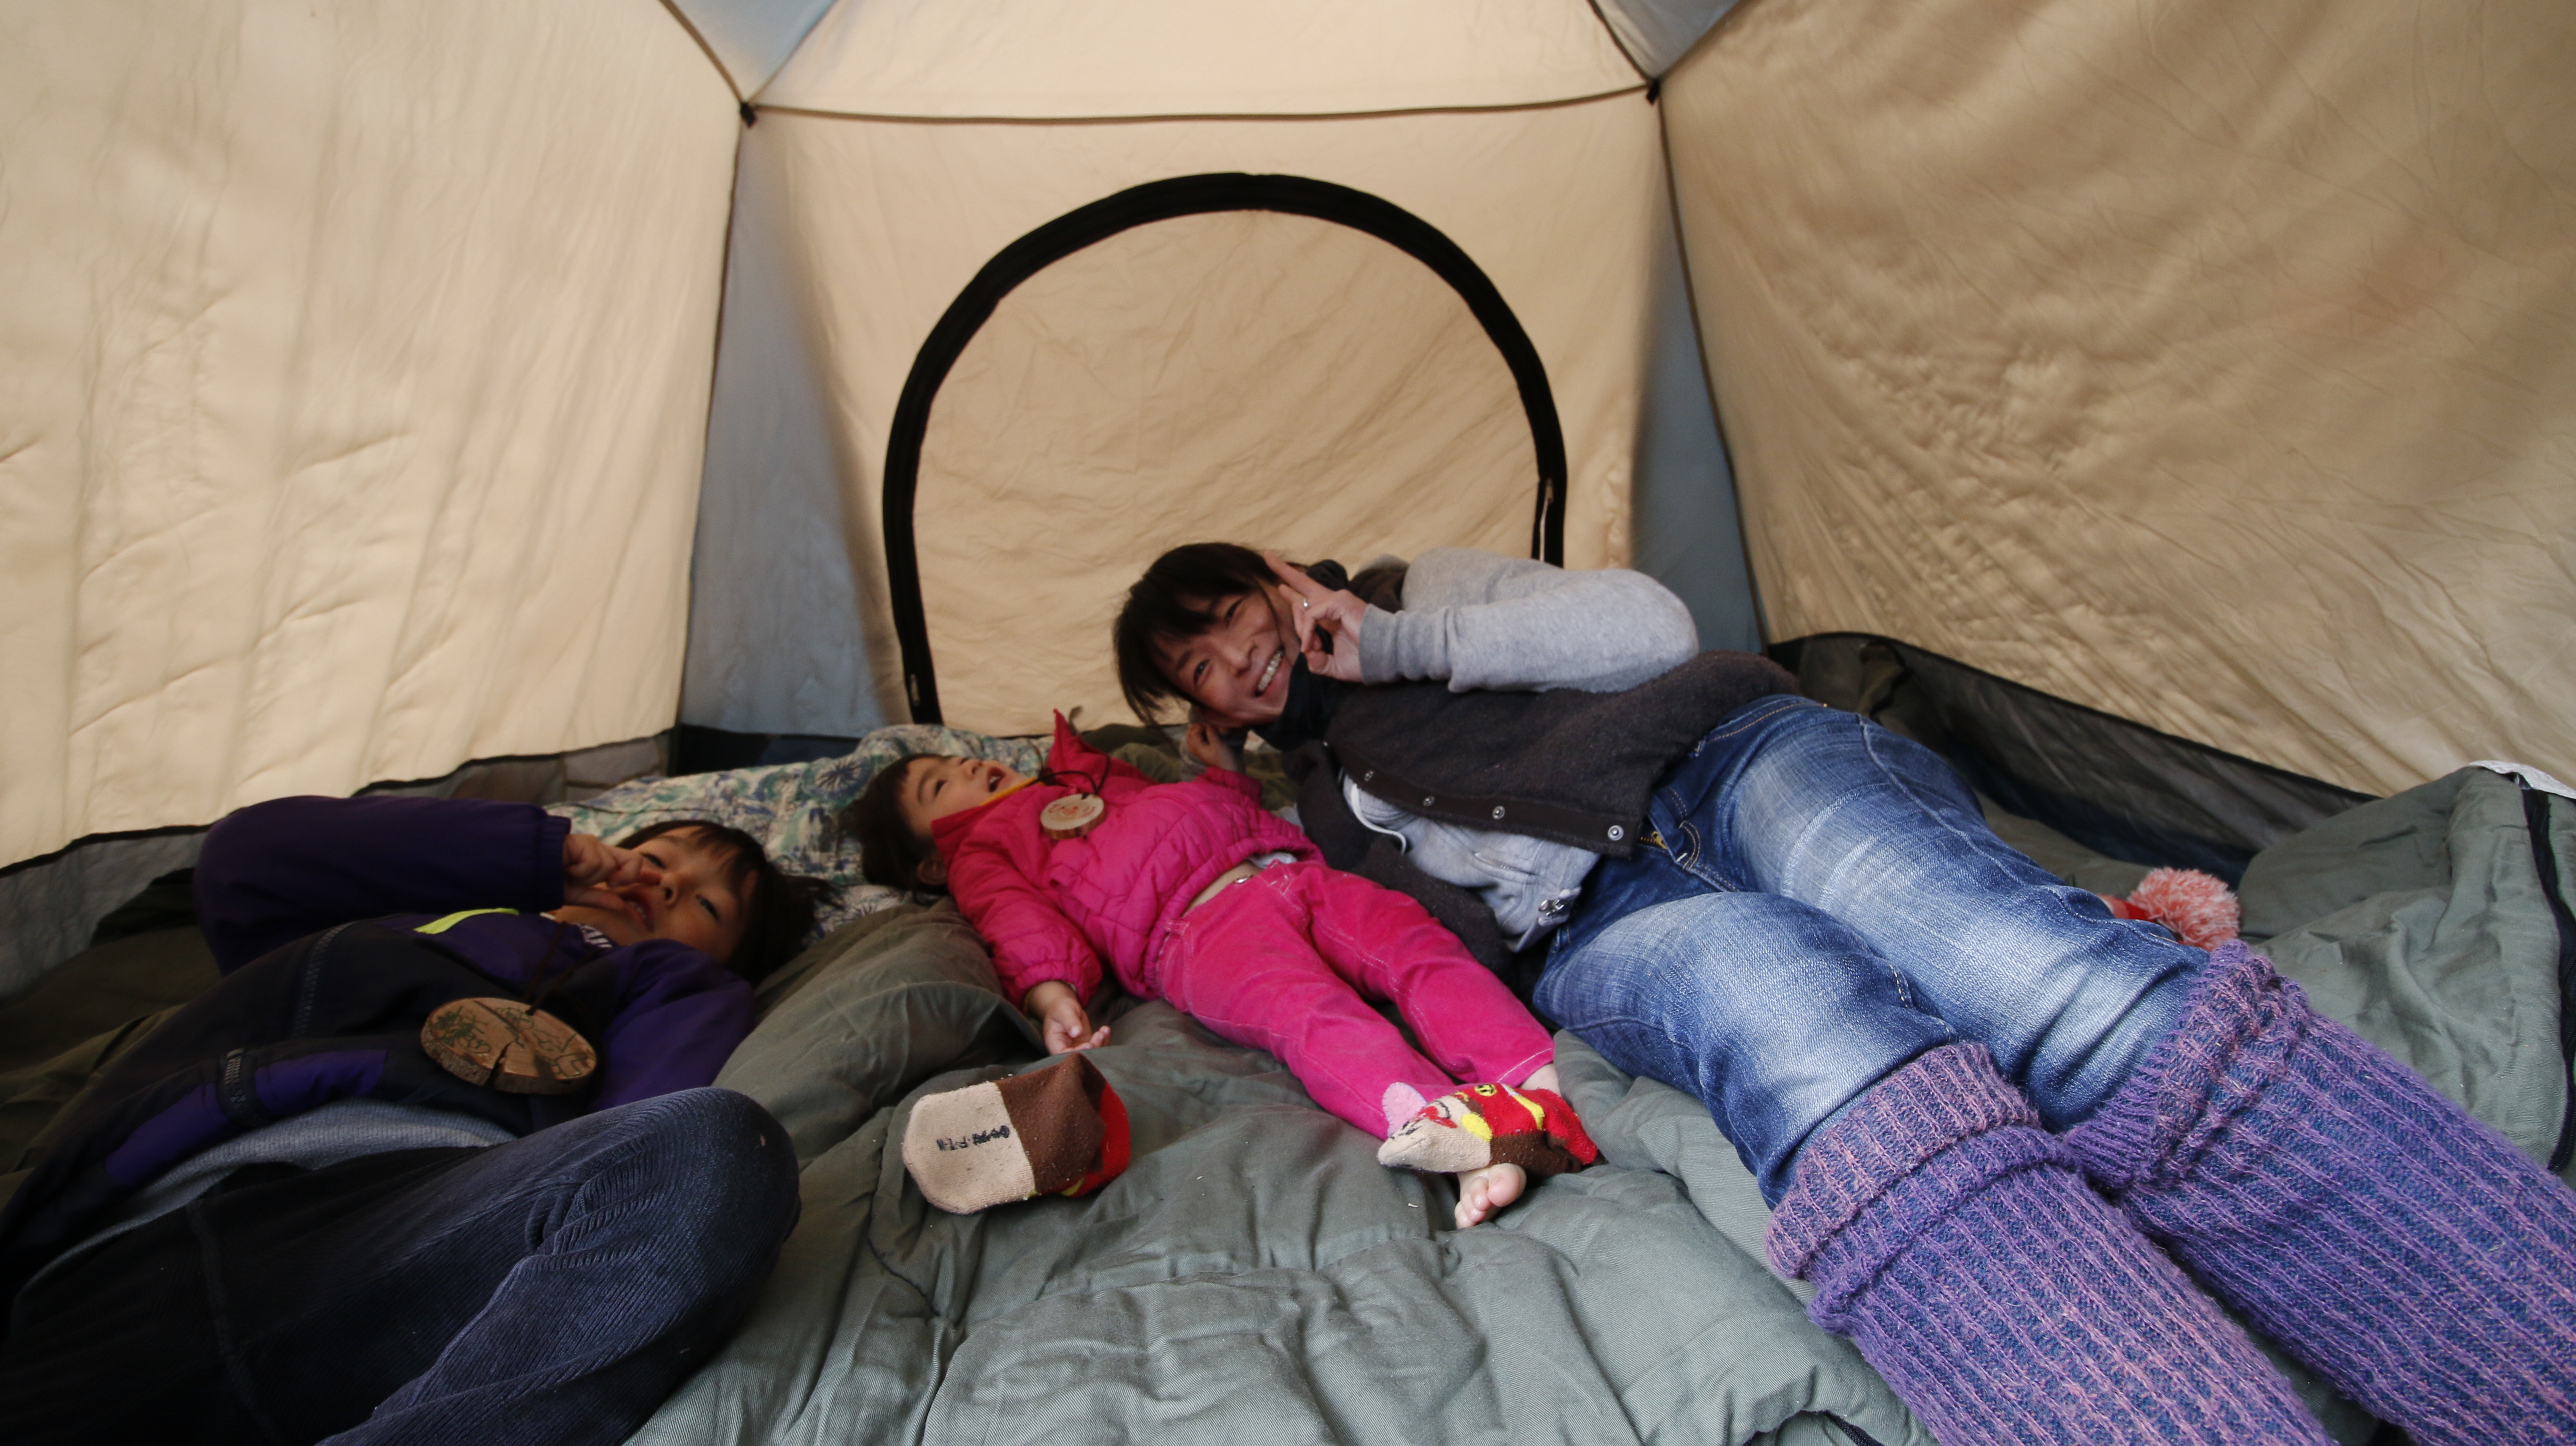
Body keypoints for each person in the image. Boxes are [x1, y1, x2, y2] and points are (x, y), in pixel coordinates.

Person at [1111, 540, 2576, 1446]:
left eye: (1235, 616)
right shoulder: (1319, 800)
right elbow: (1441, 950)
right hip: (1607, 917)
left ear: (1280, 578)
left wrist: (1395, 645)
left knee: (2021, 968)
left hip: (1734, 761)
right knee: (1792, 1028)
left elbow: (1647, 629)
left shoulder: (1421, 589)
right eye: (1205, 670)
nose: (1242, 661)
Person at [0, 793, 830, 1446]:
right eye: (655, 855)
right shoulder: (398, 920)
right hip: (147, 1237)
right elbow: (245, 862)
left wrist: (667, 976)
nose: (665, 882)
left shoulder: (672, 982)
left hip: (404, 1251)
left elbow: (643, 1133)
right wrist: (538, 857)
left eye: (706, 905)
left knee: (719, 1146)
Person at [843, 715, 1596, 1225]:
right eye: (939, 786)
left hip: (1288, 870)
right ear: (932, 860)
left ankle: (1536, 1075)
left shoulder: (1092, 777)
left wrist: (1224, 772)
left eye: (956, 759)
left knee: (1416, 946)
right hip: (1197, 933)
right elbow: (1013, 920)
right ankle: (1464, 1138)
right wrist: (1050, 994)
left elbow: (1195, 811)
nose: (968, 765)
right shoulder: (984, 849)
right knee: (1312, 1018)